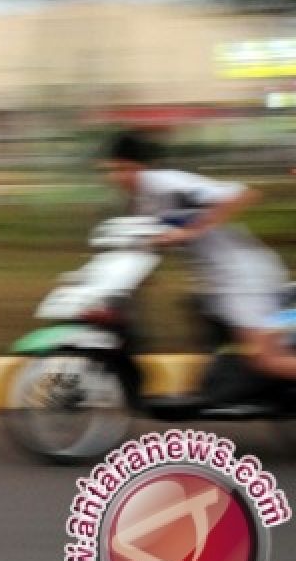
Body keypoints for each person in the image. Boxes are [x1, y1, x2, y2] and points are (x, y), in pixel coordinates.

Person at [100, 129, 296, 393]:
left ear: (140, 166)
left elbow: (240, 195)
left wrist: (192, 230)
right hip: (220, 282)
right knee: (199, 317)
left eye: (123, 168)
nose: (116, 177)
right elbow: (144, 248)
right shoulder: (142, 202)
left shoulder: (161, 182)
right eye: (111, 170)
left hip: (243, 277)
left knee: (267, 360)